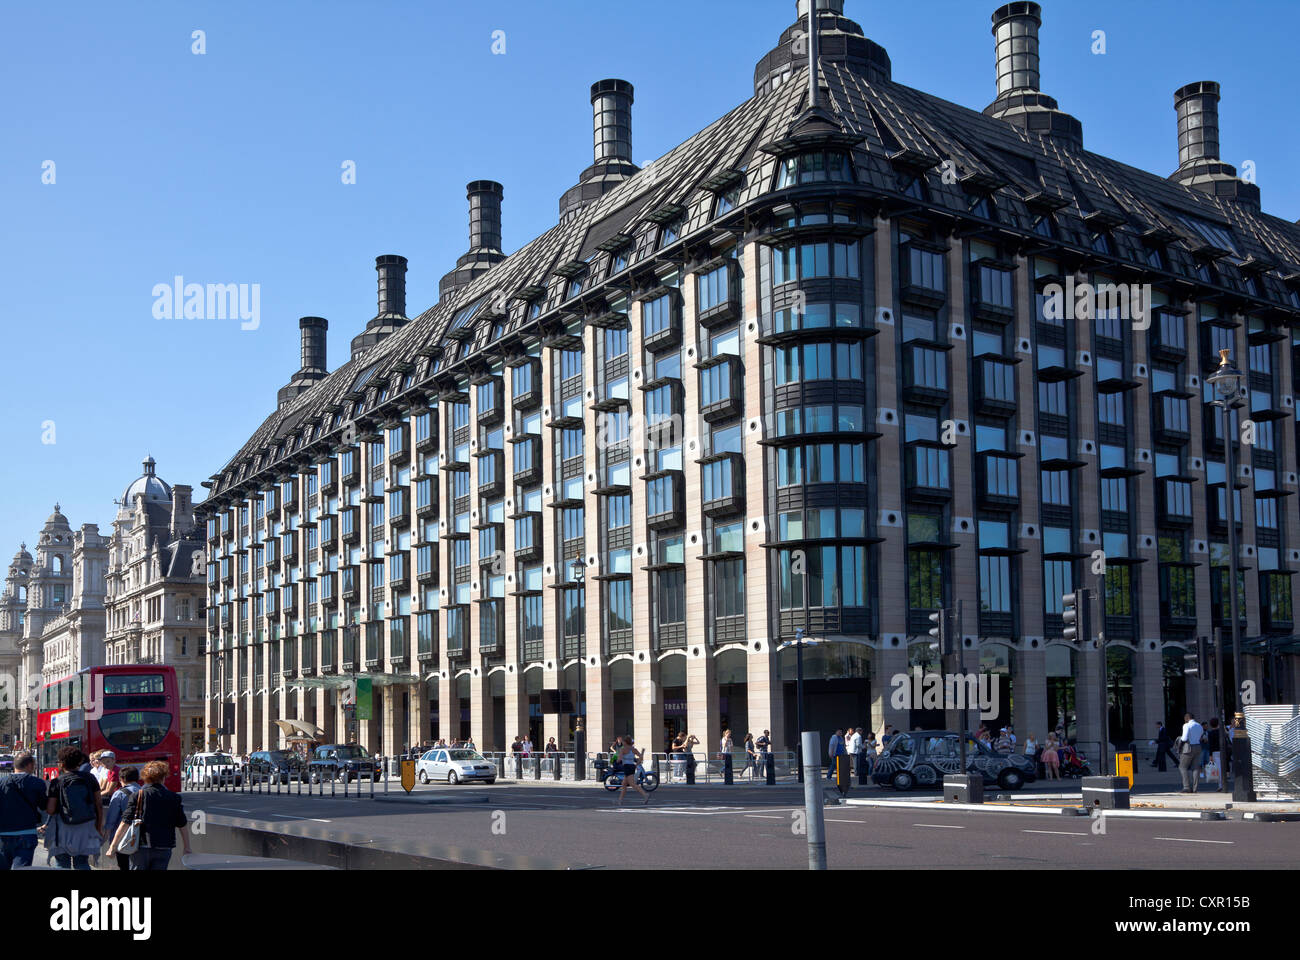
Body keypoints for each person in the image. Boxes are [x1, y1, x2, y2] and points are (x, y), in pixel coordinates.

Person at [109, 761, 190, 870]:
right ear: (164, 777)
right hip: (164, 845)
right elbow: (182, 824)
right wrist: (187, 847)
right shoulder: (174, 797)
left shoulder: (138, 795)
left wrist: (113, 846)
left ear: (145, 777)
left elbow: (125, 822)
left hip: (141, 845)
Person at [45, 746, 104, 871]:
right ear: (79, 762)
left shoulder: (57, 782)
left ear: (62, 763)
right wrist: (98, 827)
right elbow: (99, 804)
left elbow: (50, 810)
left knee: (62, 864)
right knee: (82, 863)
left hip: (63, 828)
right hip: (86, 826)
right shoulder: (90, 778)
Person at [0, 751, 48, 870]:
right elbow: (44, 806)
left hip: (3, 834)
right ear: (30, 765)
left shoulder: (1, 782)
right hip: (27, 833)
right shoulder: (38, 783)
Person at [102, 766, 142, 871]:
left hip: (122, 837)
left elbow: (112, 818)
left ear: (122, 779)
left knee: (124, 865)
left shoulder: (119, 793)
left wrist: (108, 836)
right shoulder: (144, 792)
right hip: (141, 836)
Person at [615, 736, 650, 805]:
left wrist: (617, 761)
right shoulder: (633, 749)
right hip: (632, 766)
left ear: (625, 742)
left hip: (627, 767)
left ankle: (645, 795)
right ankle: (620, 800)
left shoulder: (623, 749)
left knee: (632, 784)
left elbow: (619, 759)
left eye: (623, 742)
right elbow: (641, 757)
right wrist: (636, 764)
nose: (622, 743)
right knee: (624, 784)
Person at [1178, 712, 1204, 794]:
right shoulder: (1199, 725)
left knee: (1182, 767)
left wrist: (1180, 741)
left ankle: (1186, 787)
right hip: (1198, 747)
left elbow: (1184, 738)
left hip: (1188, 747)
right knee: (1195, 768)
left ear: (1187, 718)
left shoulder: (1186, 725)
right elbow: (1201, 736)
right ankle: (1195, 788)